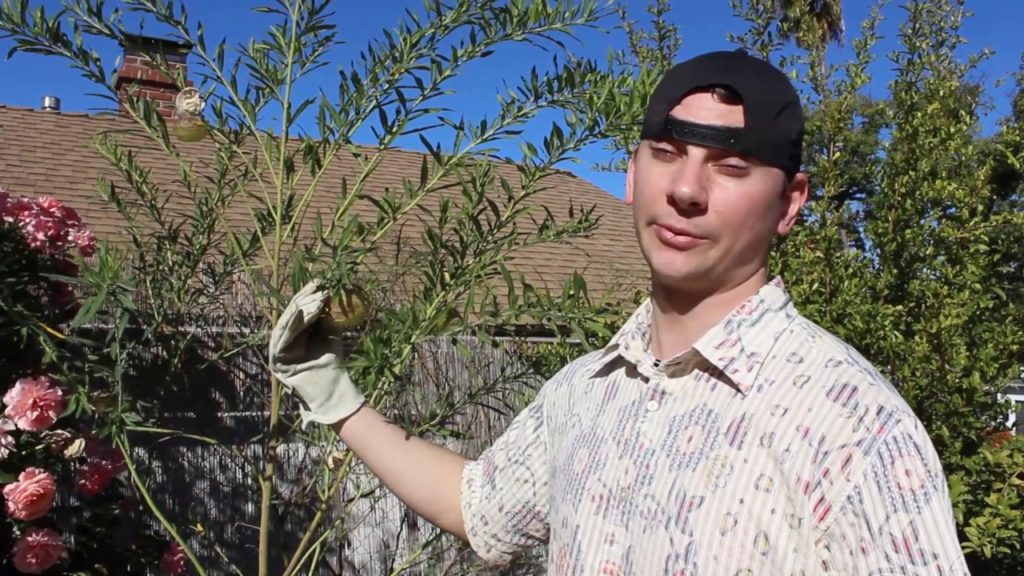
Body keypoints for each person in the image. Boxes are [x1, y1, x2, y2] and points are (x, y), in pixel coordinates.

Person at [269, 49, 971, 574]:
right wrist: (336, 398)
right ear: (632, 175)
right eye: (667, 154)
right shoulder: (585, 391)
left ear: (790, 203)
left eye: (731, 167)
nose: (687, 189)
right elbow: (478, 508)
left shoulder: (852, 424)